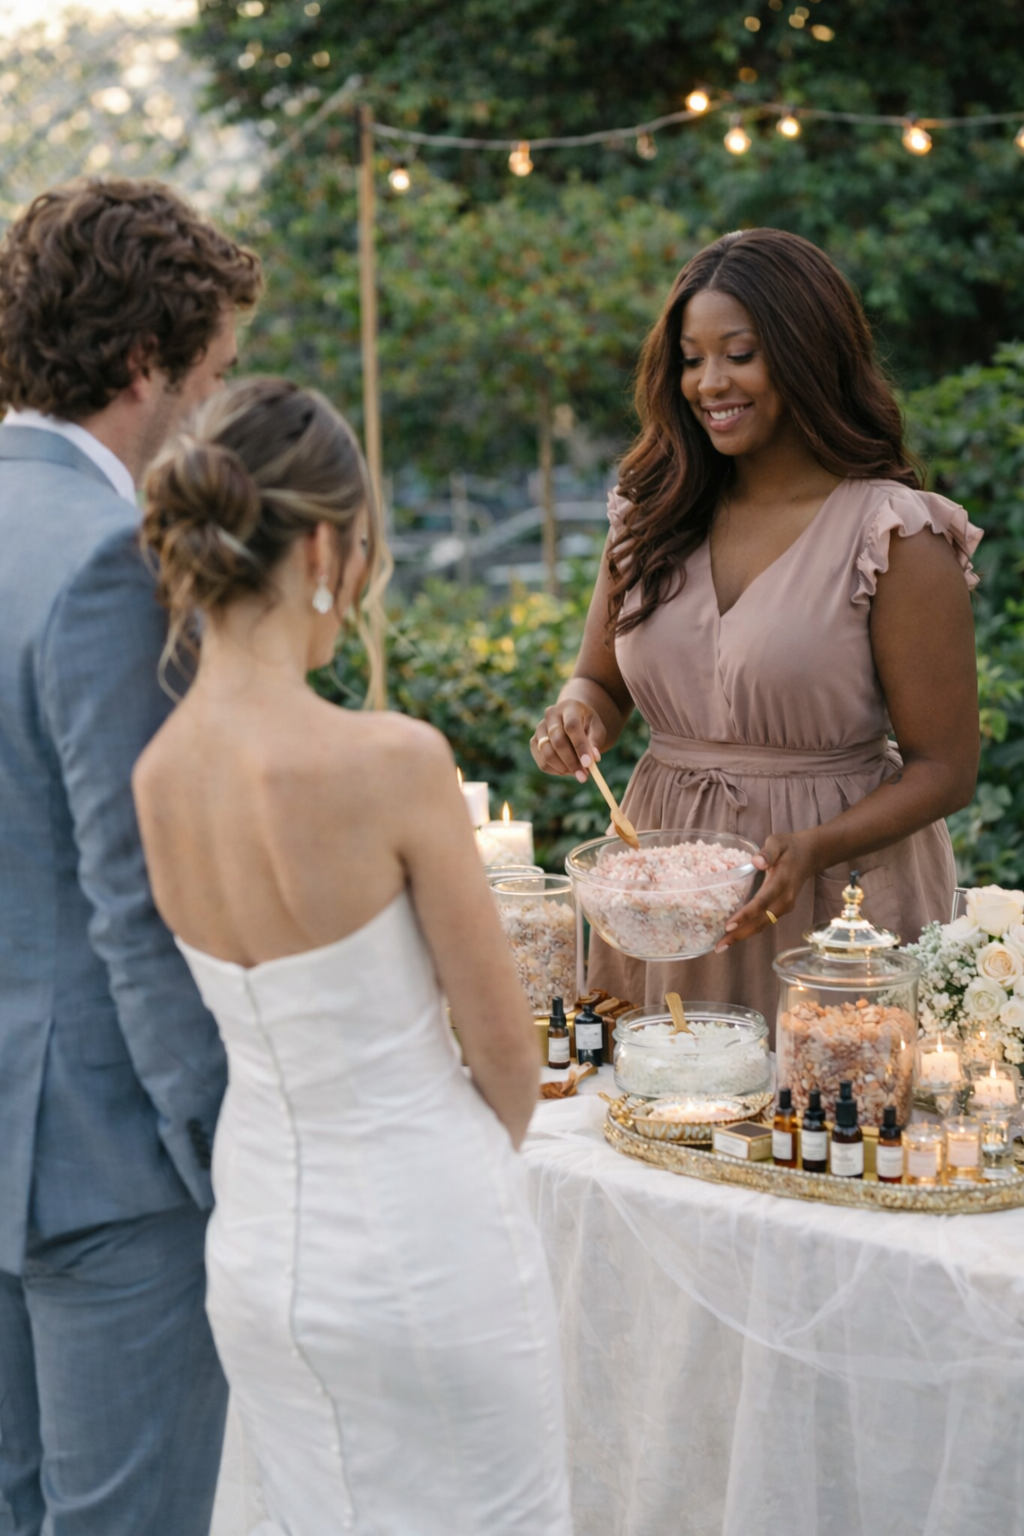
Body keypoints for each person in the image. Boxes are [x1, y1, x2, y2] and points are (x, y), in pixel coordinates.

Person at [132, 377, 572, 1536]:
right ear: (325, 543)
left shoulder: (156, 779)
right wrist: (445, 1191)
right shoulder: (390, 761)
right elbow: (507, 1058)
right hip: (429, 1243)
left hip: (262, 1254)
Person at [531, 228, 981, 1026]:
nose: (709, 382)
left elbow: (945, 767)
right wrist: (575, 717)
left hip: (834, 900)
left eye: (738, 354)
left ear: (807, 353)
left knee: (827, 1133)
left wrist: (814, 846)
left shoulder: (893, 534)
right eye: (691, 358)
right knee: (651, 1121)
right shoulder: (648, 515)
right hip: (662, 896)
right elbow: (599, 681)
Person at [0, 178, 262, 1536]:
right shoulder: (114, 557)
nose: (211, 410)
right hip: (102, 1153)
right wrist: (222, 1139)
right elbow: (139, 894)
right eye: (212, 375)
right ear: (142, 362)